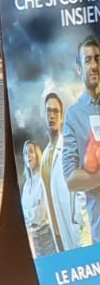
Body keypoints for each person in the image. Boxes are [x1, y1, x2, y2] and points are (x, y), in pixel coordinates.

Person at [63, 38, 100, 241]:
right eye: (87, 60)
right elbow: (70, 179)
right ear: (79, 69)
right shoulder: (74, 115)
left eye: (97, 58)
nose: (94, 65)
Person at [45, 91, 90, 251]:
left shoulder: (69, 148)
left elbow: (82, 189)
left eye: (55, 111)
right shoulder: (45, 155)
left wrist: (80, 223)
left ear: (62, 117)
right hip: (57, 232)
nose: (52, 116)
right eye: (48, 111)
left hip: (76, 230)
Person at [21, 141, 59, 257]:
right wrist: (31, 212)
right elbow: (22, 213)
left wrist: (28, 213)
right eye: (25, 153)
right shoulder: (26, 186)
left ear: (37, 155)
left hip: (46, 236)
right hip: (33, 239)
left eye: (31, 152)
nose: (28, 155)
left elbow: (40, 213)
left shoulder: (43, 181)